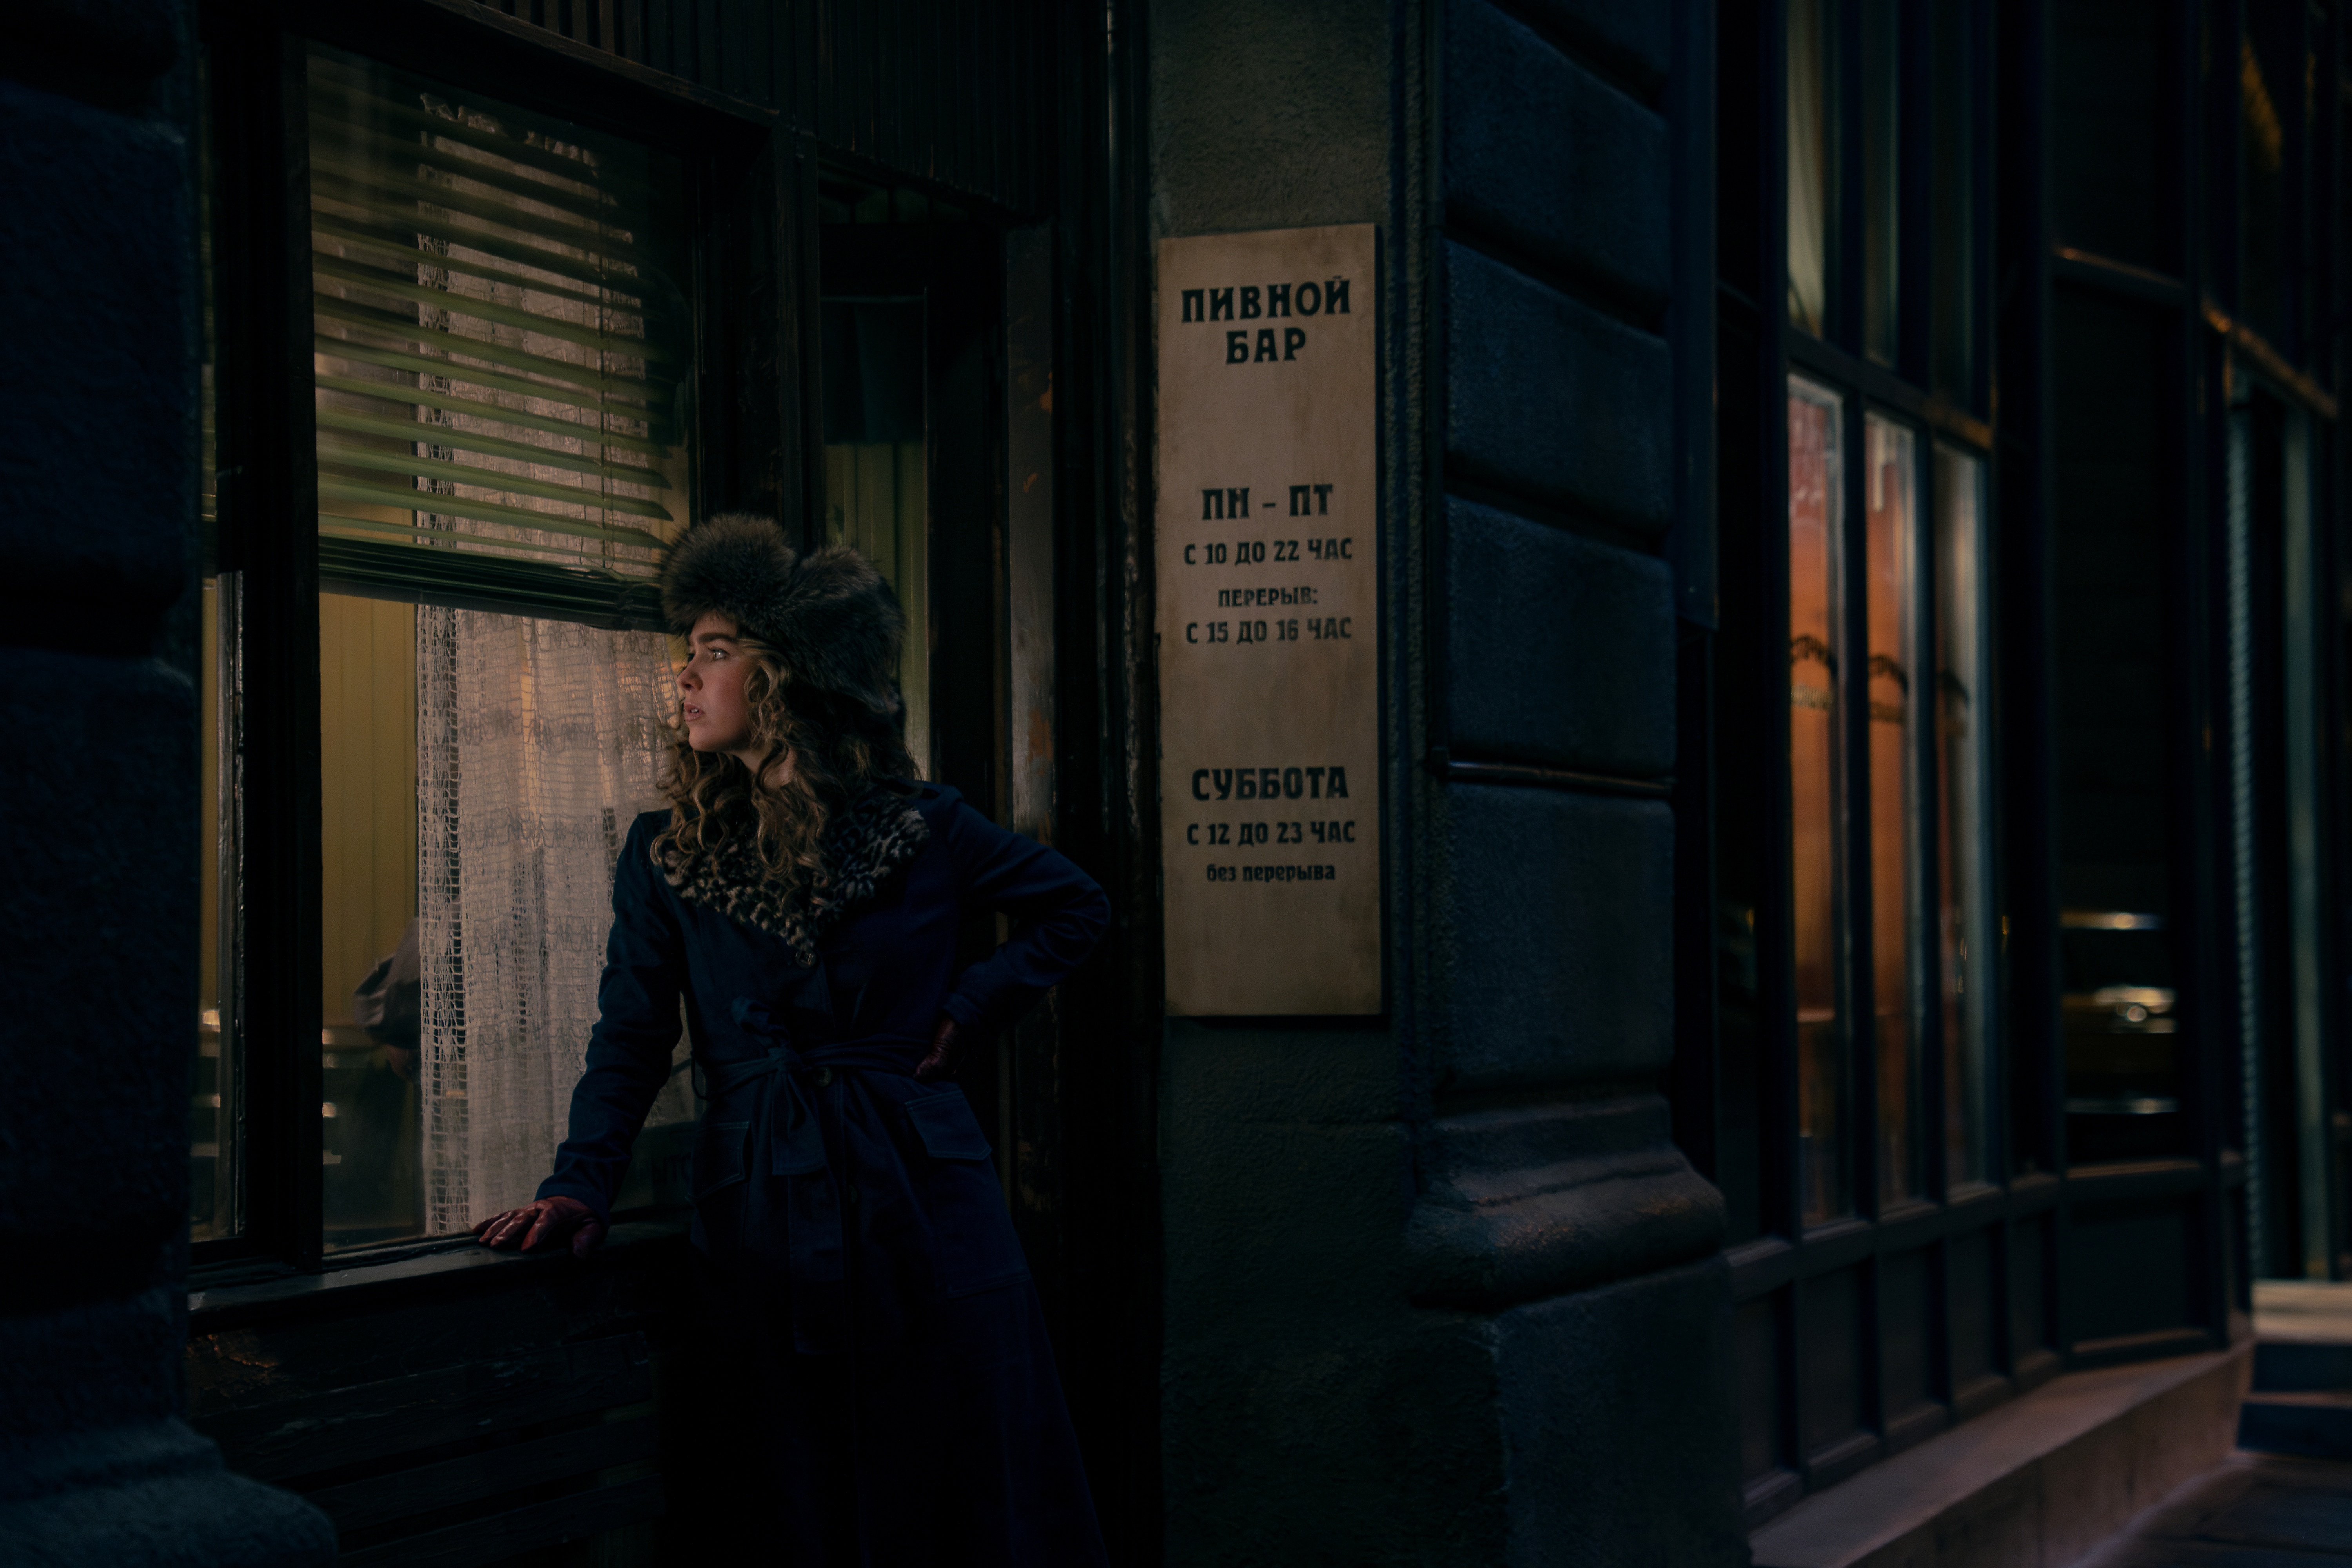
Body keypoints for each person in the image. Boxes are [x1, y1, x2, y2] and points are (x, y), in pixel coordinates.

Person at [473, 513, 1111, 1566]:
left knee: (957, 1466)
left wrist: (969, 1007)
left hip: (925, 1193)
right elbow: (630, 1037)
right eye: (688, 654)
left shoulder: (925, 827)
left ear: (786, 678)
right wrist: (580, 1185)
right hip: (761, 1201)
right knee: (786, 1486)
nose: (686, 678)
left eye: (716, 653)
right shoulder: (665, 852)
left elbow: (1077, 907)